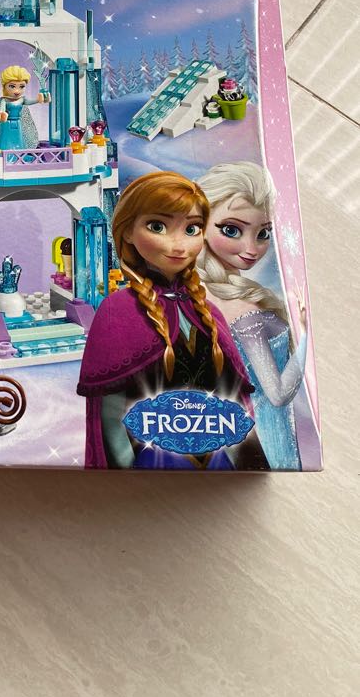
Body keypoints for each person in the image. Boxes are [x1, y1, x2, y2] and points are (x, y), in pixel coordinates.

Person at [77, 170, 268, 470]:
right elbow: (110, 417)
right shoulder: (117, 310)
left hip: (217, 461)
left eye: (192, 229)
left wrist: (247, 463)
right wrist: (127, 475)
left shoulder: (205, 310)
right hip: (152, 464)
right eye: (158, 226)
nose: (179, 245)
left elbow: (235, 403)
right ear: (128, 231)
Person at [197, 162, 306, 470]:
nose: (252, 248)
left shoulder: (197, 293)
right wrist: (305, 335)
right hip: (269, 442)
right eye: (231, 230)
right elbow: (278, 395)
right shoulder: (243, 311)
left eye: (263, 233)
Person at [0, 65, 49, 153]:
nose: (17, 91)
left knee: (18, 139)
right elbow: (2, 109)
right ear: (5, 86)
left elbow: (30, 102)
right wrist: (1, 114)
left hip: (17, 123)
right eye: (12, 86)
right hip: (6, 123)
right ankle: (5, 152)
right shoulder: (4, 100)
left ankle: (19, 152)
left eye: (21, 86)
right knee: (6, 139)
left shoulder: (22, 100)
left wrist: (39, 99)